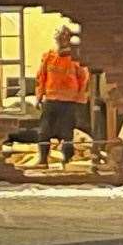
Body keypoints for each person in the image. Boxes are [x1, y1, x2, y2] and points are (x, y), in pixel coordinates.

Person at [36, 28, 90, 166]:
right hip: (51, 100)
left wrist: (80, 98)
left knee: (67, 133)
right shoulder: (49, 56)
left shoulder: (75, 59)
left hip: (69, 102)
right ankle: (43, 159)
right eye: (59, 38)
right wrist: (39, 96)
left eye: (64, 38)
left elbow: (83, 79)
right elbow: (41, 77)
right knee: (44, 132)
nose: (61, 41)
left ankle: (67, 160)